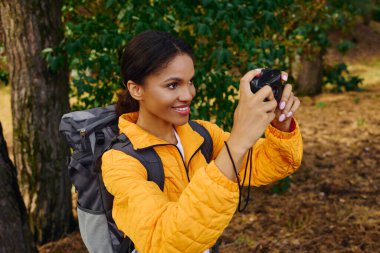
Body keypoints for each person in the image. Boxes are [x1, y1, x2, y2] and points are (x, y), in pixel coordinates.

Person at [102, 30, 303, 253]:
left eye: (190, 82)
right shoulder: (120, 161)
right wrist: (237, 142)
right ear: (136, 89)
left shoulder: (201, 135)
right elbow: (167, 241)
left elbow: (276, 163)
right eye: (172, 85)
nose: (188, 94)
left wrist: (280, 123)